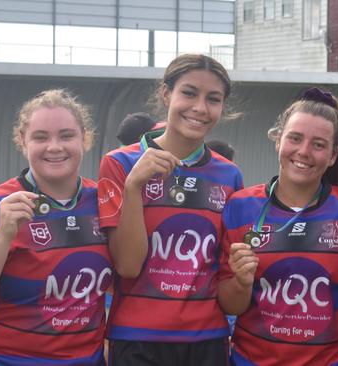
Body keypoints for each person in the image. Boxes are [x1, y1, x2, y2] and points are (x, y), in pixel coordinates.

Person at [97, 54, 244, 365]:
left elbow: (225, 272)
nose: (200, 108)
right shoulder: (119, 163)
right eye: (189, 93)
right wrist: (134, 185)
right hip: (137, 339)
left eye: (213, 99)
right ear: (166, 94)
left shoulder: (230, 175)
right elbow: (127, 266)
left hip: (208, 339)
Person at [218, 87, 338, 365]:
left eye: (318, 144)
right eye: (294, 139)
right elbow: (230, 304)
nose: (303, 151)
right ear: (278, 141)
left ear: (333, 155)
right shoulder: (240, 206)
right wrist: (241, 281)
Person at [0, 89, 112, 364]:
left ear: (84, 139)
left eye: (66, 135)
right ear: (22, 142)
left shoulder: (105, 202)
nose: (54, 147)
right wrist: (2, 236)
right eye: (40, 137)